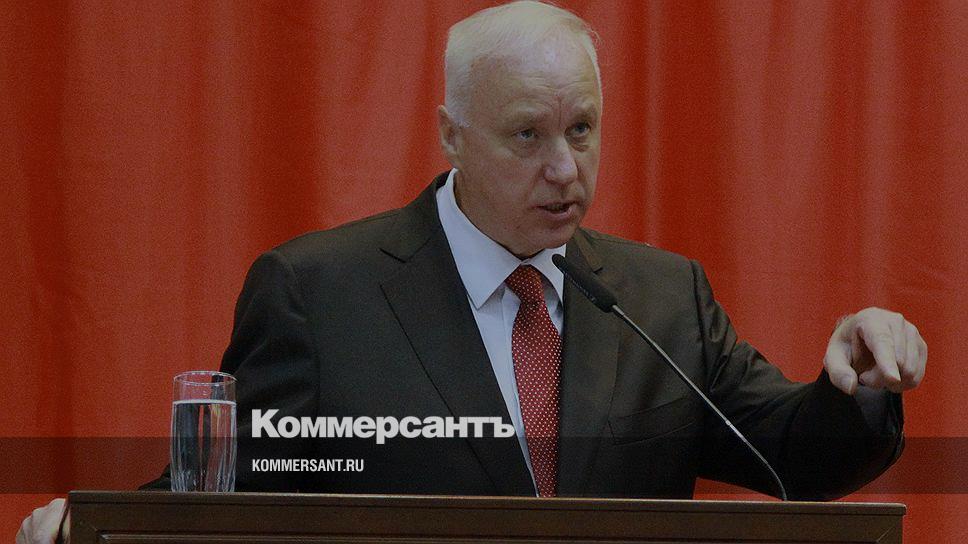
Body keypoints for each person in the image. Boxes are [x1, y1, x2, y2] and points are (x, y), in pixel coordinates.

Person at [18, 1, 927, 542]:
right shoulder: (320, 297)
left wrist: (861, 386)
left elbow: (795, 455)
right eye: (527, 135)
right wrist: (87, 527)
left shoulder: (663, 299)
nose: (565, 169)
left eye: (582, 129)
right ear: (452, 135)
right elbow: (224, 500)